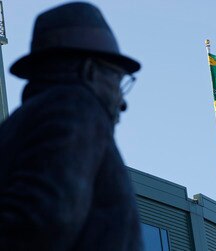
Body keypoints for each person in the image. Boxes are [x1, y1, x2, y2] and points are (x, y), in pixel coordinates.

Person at [0, 2, 142, 250]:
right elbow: (43, 220)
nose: (122, 103)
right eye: (117, 82)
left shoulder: (15, 128)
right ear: (90, 72)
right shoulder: (76, 107)